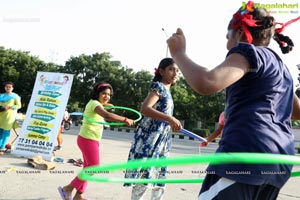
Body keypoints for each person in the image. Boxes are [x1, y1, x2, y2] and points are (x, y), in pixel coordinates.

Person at [167, 1, 300, 199]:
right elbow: (296, 111)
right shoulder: (282, 69)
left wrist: (178, 54)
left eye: (228, 37)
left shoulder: (248, 52)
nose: (226, 44)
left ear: (239, 32)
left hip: (246, 155)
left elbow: (207, 82)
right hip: (278, 163)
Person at [58, 83, 135, 200]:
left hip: (90, 139)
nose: (106, 96)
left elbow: (103, 108)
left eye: (109, 94)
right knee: (94, 166)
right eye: (103, 93)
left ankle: (79, 195)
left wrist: (105, 104)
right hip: (87, 139)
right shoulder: (94, 104)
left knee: (87, 168)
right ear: (97, 93)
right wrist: (125, 119)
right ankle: (67, 188)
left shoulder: (96, 103)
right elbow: (107, 115)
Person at [124, 57, 182, 200]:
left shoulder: (167, 91)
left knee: (159, 180)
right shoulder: (158, 87)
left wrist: (171, 123)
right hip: (150, 139)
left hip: (162, 140)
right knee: (144, 176)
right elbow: (145, 109)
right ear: (161, 71)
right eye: (171, 69)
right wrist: (170, 119)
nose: (175, 73)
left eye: (177, 70)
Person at [0, 81, 21, 155]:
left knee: (5, 132)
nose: (8, 88)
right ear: (4, 87)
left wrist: (10, 107)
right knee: (0, 131)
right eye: (7, 87)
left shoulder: (15, 96)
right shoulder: (1, 95)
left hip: (9, 116)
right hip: (1, 115)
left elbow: (19, 106)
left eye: (10, 87)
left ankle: (1, 148)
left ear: (12, 88)